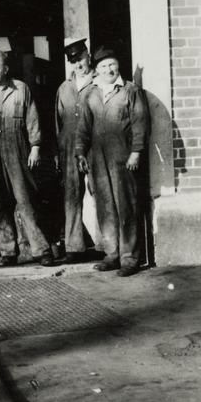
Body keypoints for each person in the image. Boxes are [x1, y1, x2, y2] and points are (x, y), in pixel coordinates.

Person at [0, 49, 54, 267]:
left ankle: (41, 250)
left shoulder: (21, 89)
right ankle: (8, 252)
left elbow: (32, 119)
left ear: (5, 69)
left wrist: (35, 146)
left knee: (26, 201)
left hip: (18, 151)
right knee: (1, 206)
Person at [75, 46, 150, 277]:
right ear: (96, 70)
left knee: (126, 207)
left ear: (118, 66)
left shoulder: (130, 91)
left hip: (124, 160)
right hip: (98, 160)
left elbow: (140, 123)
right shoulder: (91, 94)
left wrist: (136, 152)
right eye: (104, 66)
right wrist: (80, 152)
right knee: (105, 208)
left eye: (112, 64)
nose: (109, 69)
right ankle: (112, 254)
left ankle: (130, 258)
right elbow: (83, 128)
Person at [55, 38, 96, 263]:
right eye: (73, 61)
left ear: (88, 55)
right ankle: (74, 247)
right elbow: (57, 122)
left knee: (100, 192)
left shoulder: (99, 84)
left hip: (94, 148)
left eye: (80, 58)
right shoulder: (64, 89)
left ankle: (109, 245)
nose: (78, 64)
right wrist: (58, 151)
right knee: (71, 196)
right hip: (69, 149)